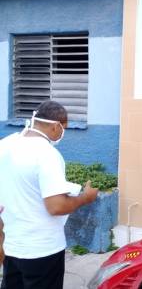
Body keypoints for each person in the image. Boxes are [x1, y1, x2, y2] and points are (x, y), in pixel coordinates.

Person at [0, 101, 98, 289]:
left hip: (12, 246)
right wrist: (85, 198)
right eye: (64, 129)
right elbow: (56, 206)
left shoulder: (5, 145)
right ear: (55, 126)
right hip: (42, 250)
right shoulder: (47, 154)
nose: (63, 134)